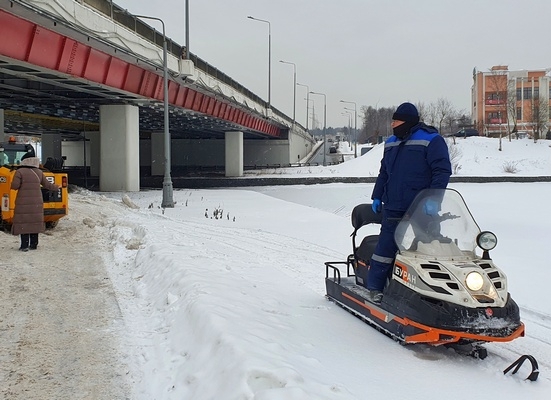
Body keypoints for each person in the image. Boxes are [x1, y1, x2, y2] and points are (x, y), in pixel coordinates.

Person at [367, 102, 451, 304]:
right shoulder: (391, 142)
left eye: (396, 120)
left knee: (430, 247)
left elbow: (442, 172)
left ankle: (436, 292)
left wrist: (433, 200)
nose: (393, 124)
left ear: (406, 121)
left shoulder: (432, 140)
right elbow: (384, 173)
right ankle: (375, 288)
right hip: (394, 204)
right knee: (386, 248)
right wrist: (377, 195)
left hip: (421, 207)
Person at [11, 156, 60, 251]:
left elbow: (14, 186)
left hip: (23, 201)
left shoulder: (20, 172)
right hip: (36, 201)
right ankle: (34, 244)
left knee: (24, 222)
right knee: (34, 221)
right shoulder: (39, 172)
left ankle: (24, 246)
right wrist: (56, 187)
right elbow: (47, 185)